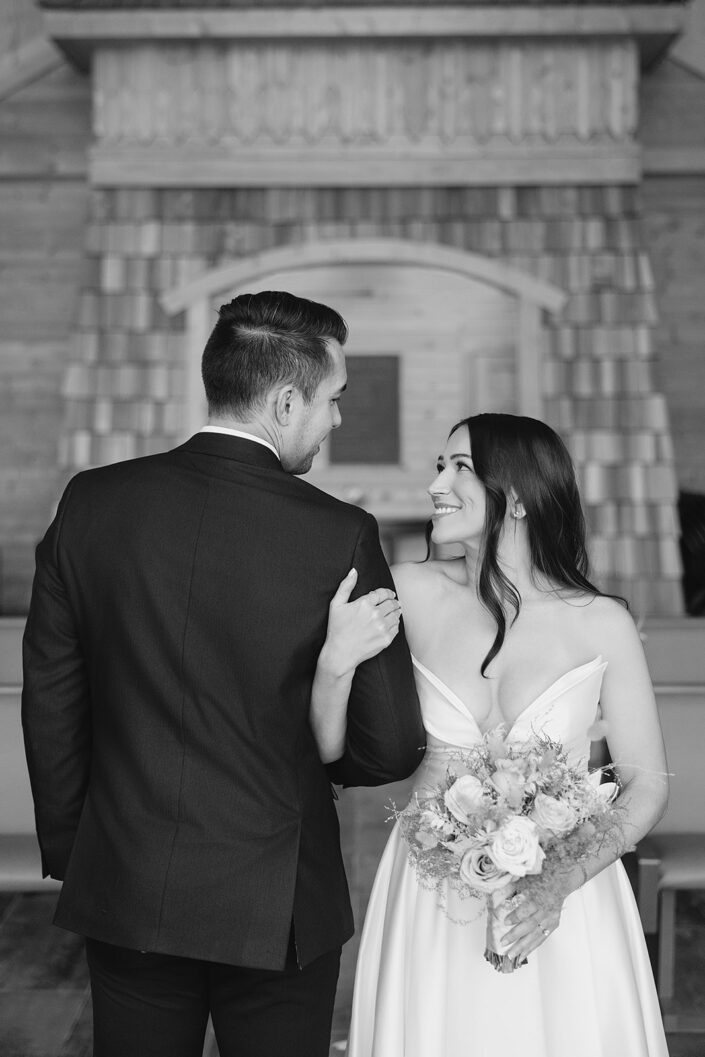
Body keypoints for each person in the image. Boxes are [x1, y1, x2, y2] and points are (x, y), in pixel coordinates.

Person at [21, 290, 426, 1057]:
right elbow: (392, 743)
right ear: (282, 399)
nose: (336, 420)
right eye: (333, 400)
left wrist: (84, 856)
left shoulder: (91, 502)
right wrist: (330, 725)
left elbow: (51, 701)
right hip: (277, 897)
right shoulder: (337, 532)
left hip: (125, 879)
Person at [311, 412, 670, 1057]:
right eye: (438, 468)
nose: (436, 486)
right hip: (432, 888)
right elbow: (329, 750)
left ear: (523, 497)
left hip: (566, 890)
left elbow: (645, 785)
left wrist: (559, 883)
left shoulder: (601, 622)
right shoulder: (406, 592)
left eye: (460, 468)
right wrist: (335, 663)